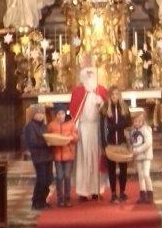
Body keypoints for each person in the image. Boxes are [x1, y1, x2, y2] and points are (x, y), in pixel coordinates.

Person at [70, 64, 108, 201]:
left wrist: (101, 104)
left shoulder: (101, 91)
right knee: (83, 159)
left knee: (97, 158)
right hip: (83, 129)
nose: (90, 76)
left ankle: (97, 190)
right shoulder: (77, 92)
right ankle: (83, 191)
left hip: (97, 129)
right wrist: (75, 129)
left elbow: (107, 111)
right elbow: (74, 112)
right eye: (87, 74)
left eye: (92, 74)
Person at [100, 87, 132, 203]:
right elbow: (103, 128)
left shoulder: (124, 108)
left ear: (119, 96)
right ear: (109, 96)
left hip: (122, 143)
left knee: (123, 169)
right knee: (111, 169)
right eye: (112, 95)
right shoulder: (104, 109)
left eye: (116, 94)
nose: (114, 97)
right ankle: (113, 193)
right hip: (111, 144)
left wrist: (129, 143)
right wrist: (104, 144)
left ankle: (122, 192)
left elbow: (129, 124)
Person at [47, 103, 78, 207]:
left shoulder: (71, 124)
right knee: (59, 176)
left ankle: (68, 198)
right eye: (58, 114)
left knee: (67, 176)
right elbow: (48, 137)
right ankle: (60, 198)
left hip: (68, 154)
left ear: (65, 114)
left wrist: (70, 137)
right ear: (56, 115)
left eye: (62, 113)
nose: (61, 116)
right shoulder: (51, 125)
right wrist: (52, 140)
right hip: (57, 155)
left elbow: (76, 137)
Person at [23, 104, 53, 210]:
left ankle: (43, 200)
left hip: (48, 156)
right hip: (39, 157)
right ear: (33, 115)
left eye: (42, 113)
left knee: (49, 179)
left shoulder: (44, 126)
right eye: (38, 113)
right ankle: (36, 202)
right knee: (42, 180)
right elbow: (32, 142)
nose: (40, 115)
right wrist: (46, 143)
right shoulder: (30, 126)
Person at [130, 110, 154, 204]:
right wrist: (132, 149)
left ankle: (150, 194)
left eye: (139, 121)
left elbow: (148, 143)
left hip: (146, 155)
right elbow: (133, 142)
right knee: (140, 175)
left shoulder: (146, 130)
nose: (137, 123)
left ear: (143, 121)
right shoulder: (133, 131)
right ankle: (142, 195)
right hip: (138, 156)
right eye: (135, 121)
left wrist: (138, 150)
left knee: (146, 174)